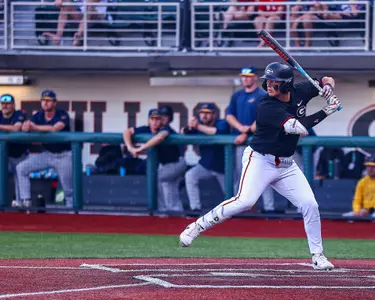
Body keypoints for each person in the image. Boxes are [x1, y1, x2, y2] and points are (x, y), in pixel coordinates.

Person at [180, 62, 342, 270]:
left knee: (310, 205)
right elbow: (299, 128)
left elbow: (326, 78)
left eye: (274, 83)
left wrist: (327, 88)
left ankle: (318, 256)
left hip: (286, 165)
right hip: (260, 160)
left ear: (286, 85)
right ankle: (197, 226)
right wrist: (327, 110)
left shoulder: (301, 90)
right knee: (244, 201)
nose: (269, 86)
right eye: (268, 81)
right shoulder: (266, 106)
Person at [226, 66, 275, 213]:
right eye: (243, 76)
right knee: (240, 177)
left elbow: (263, 118)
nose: (246, 79)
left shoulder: (261, 95)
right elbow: (229, 115)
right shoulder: (237, 95)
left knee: (262, 177)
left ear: (255, 77)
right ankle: (237, 209)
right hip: (241, 143)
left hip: (260, 144)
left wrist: (247, 130)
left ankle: (269, 209)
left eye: (249, 76)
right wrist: (241, 128)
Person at [17, 89, 73, 208]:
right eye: (43, 100)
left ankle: (72, 214)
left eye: (49, 100)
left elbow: (55, 128)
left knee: (68, 190)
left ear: (54, 103)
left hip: (64, 155)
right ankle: (26, 200)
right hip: (47, 155)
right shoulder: (38, 115)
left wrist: (35, 127)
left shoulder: (62, 114)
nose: (45, 103)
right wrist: (26, 127)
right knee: (21, 168)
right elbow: (26, 126)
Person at [123, 107, 186, 212]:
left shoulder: (165, 128)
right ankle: (173, 211)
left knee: (158, 178)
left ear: (161, 120)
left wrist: (141, 148)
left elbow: (160, 137)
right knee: (168, 186)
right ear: (149, 120)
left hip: (177, 163)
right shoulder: (146, 128)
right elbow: (127, 132)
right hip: (166, 164)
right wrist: (130, 148)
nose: (155, 122)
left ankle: (165, 209)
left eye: (157, 119)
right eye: (152, 119)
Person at [182, 103, 230, 211]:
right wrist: (189, 126)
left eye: (207, 113)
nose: (204, 115)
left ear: (214, 114)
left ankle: (236, 214)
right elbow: (184, 133)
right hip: (206, 166)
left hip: (225, 169)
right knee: (190, 175)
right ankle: (195, 208)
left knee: (232, 194)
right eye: (202, 113)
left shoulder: (222, 123)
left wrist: (197, 126)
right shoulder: (198, 124)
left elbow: (219, 132)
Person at [0, 94, 29, 208]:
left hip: (19, 155)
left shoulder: (19, 114)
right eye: (3, 104)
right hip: (4, 156)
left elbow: (17, 127)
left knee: (20, 180)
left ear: (13, 105)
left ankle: (22, 205)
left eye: (8, 103)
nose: (5, 106)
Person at [42, 0, 107, 46]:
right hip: (82, 17)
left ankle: (78, 36)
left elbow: (91, 2)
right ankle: (58, 36)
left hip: (98, 16)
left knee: (89, 8)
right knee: (65, 6)